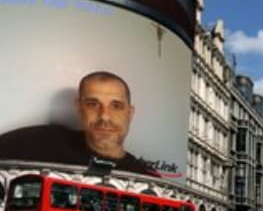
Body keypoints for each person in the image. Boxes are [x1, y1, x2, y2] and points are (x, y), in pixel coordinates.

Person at [0, 71, 159, 177]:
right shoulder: (42, 142)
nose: (104, 116)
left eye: (116, 106)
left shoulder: (147, 178)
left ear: (130, 113)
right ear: (79, 108)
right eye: (93, 104)